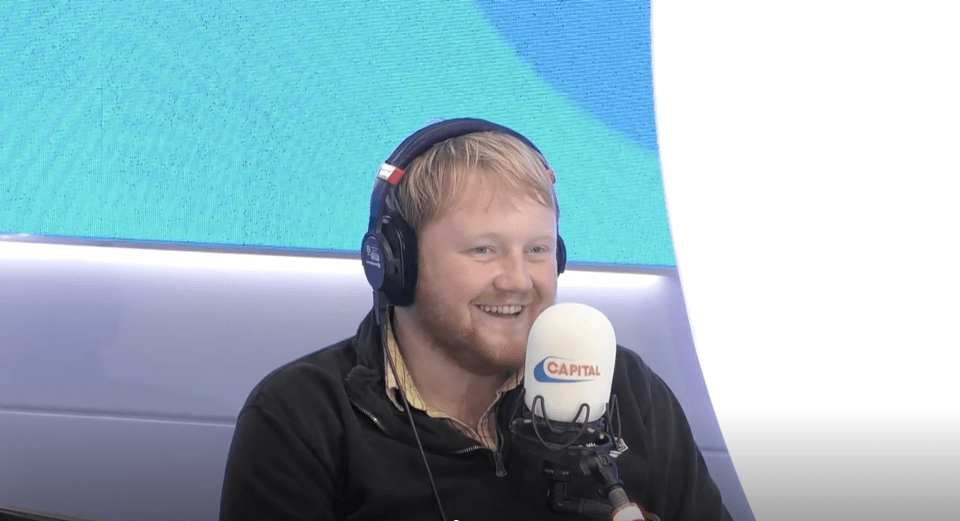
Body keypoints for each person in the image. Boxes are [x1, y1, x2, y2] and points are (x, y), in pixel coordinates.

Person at [219, 118, 732, 521]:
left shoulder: (625, 387)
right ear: (397, 264)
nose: (518, 280)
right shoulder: (302, 415)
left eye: (537, 249)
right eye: (483, 250)